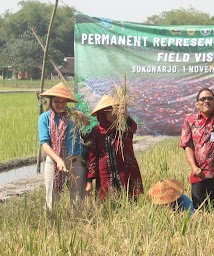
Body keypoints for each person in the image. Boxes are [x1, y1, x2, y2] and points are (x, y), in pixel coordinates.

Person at [180, 69, 214, 210]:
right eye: (202, 99)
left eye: (210, 98)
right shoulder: (190, 121)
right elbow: (187, 145)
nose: (206, 101)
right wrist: (193, 167)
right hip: (200, 174)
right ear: (197, 104)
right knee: (201, 211)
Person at [38, 82, 89, 210]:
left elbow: (87, 123)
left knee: (77, 199)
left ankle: (77, 225)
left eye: (63, 102)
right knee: (52, 199)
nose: (60, 105)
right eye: (56, 102)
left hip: (76, 160)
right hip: (54, 161)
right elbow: (44, 144)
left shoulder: (73, 115)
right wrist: (58, 159)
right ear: (51, 101)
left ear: (67, 102)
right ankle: (51, 225)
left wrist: (83, 117)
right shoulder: (44, 118)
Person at [85, 95, 144, 201]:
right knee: (108, 204)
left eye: (116, 111)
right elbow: (92, 156)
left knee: (129, 200)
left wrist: (125, 116)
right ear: (103, 113)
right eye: (110, 111)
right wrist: (89, 181)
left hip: (126, 172)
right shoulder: (96, 132)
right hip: (105, 175)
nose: (114, 114)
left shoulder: (123, 128)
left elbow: (133, 128)